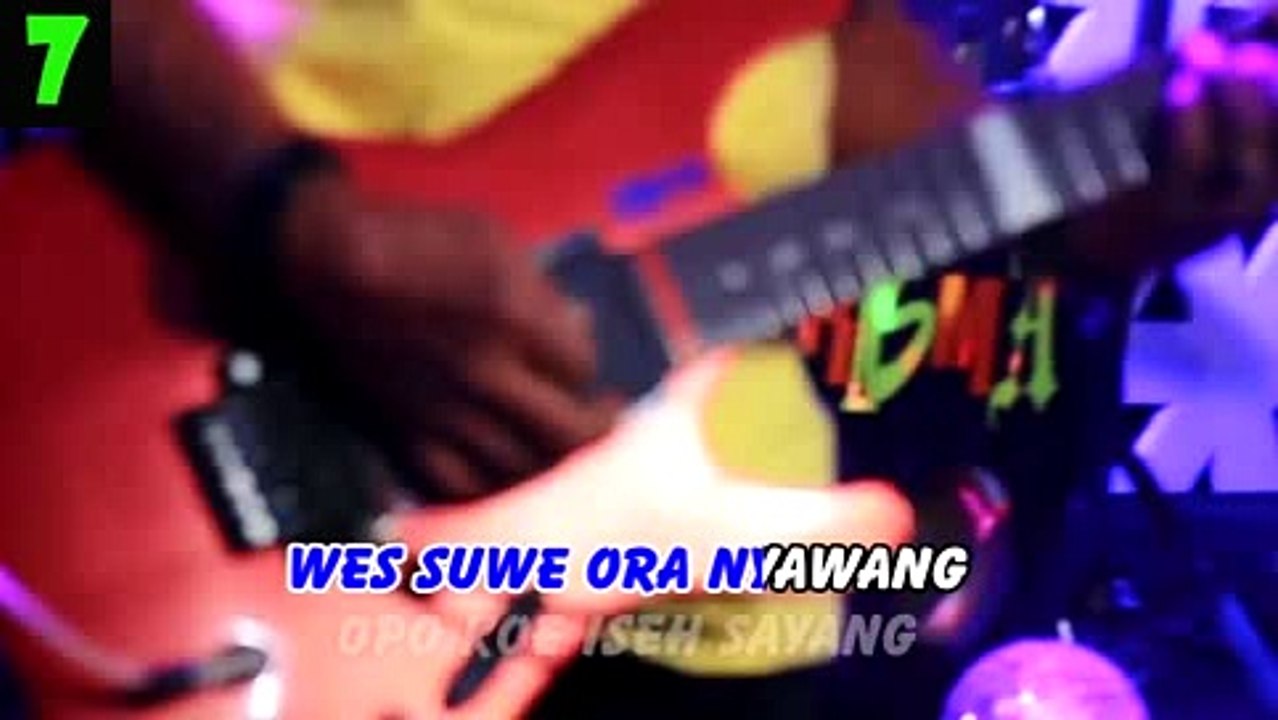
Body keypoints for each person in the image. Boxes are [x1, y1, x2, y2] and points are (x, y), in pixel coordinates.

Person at [88, 1, 1278, 718]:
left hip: (711, 621)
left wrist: (1143, 189)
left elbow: (887, 113)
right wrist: (291, 222)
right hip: (190, 484)